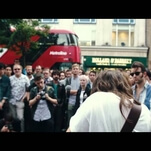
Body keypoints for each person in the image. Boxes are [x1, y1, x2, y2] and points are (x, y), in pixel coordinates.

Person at [66, 70, 151, 132]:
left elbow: (72, 130)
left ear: (98, 84)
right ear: (125, 85)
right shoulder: (142, 109)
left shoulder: (94, 101)